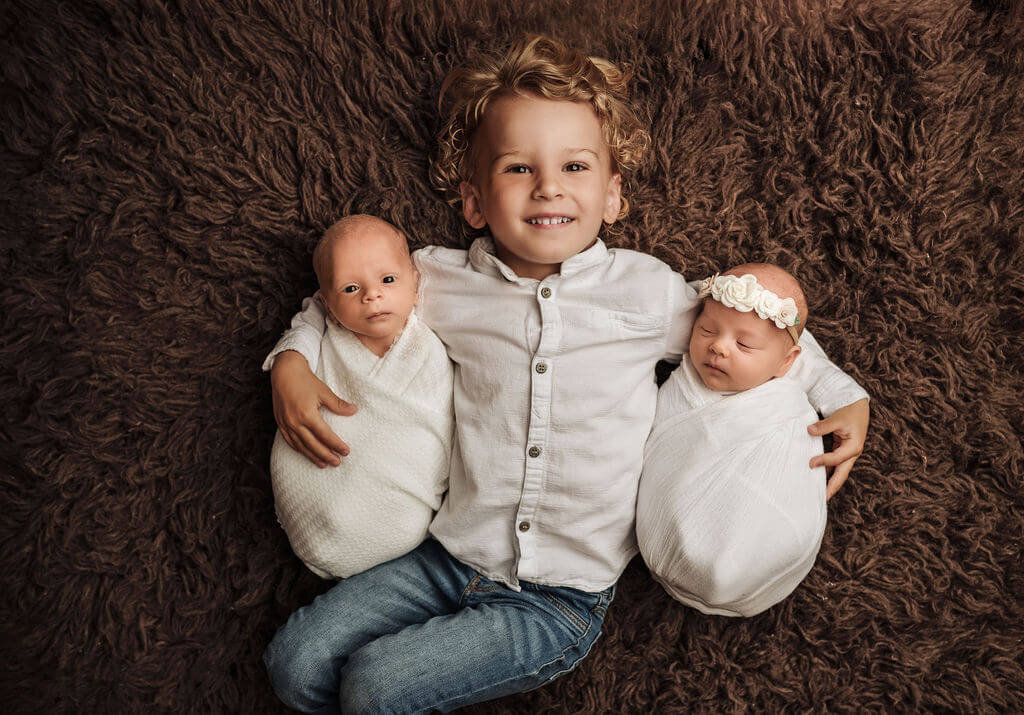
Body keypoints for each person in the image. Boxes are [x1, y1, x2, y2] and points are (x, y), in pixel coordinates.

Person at [262, 35, 871, 713]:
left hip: (559, 598)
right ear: (473, 201)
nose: (549, 186)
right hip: (449, 556)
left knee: (375, 685)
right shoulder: (439, 281)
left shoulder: (648, 292)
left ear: (612, 195)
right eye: (518, 168)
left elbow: (755, 322)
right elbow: (336, 295)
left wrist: (842, 393)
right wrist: (290, 359)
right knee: (294, 663)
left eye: (575, 166)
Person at [638, 264, 860, 617]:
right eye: (706, 329)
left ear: (786, 362)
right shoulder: (688, 373)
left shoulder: (782, 398)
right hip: (666, 530)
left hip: (755, 540)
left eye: (744, 343)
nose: (719, 347)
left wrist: (851, 401)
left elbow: (806, 360)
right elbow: (674, 302)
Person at [268, 215, 453, 579]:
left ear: (415, 286)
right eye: (351, 289)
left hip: (396, 512)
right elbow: (307, 323)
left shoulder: (429, 349)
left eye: (387, 280)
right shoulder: (325, 341)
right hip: (316, 492)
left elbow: (441, 426)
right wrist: (290, 361)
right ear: (328, 304)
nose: (372, 295)